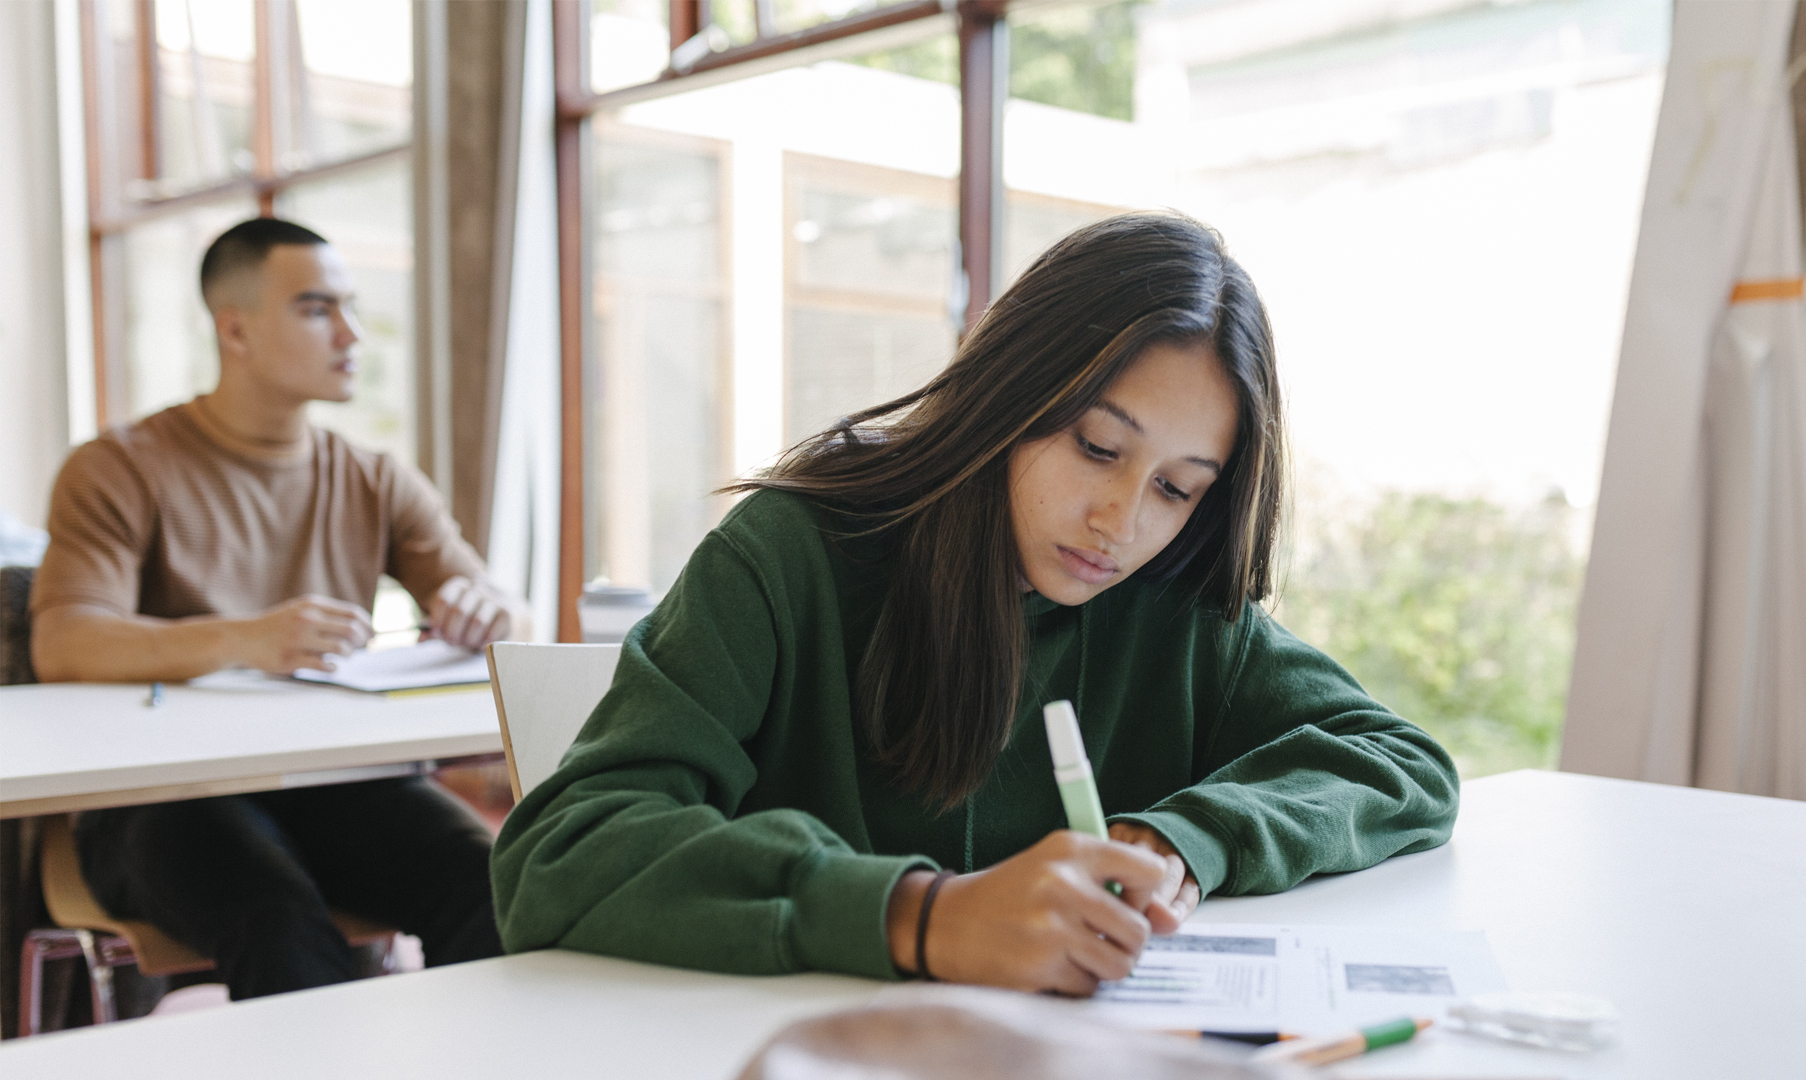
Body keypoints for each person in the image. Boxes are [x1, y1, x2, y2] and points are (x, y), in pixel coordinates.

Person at [491, 213, 1459, 994]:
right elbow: (560, 855)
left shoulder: (1177, 609)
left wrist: (1185, 840)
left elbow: (1402, 762)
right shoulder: (792, 556)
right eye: (1097, 447)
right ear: (1012, 393)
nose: (1122, 522)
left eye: (1177, 488)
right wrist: (923, 917)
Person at [31, 217, 524, 999]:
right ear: (234, 330)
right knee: (278, 920)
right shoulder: (117, 468)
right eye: (317, 309)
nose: (351, 334)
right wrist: (246, 638)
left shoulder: (373, 478)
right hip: (158, 799)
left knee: (504, 886)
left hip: (336, 784)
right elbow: (65, 640)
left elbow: (503, 610)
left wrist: (487, 606)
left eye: (350, 307)